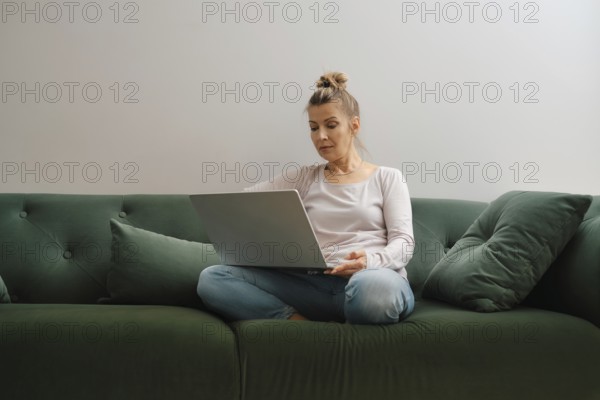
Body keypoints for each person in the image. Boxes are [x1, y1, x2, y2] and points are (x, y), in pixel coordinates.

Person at [197, 71, 415, 324]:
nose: (320, 136)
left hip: (372, 279)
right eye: (313, 128)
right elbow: (242, 205)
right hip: (312, 285)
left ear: (354, 125)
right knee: (214, 278)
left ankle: (345, 324)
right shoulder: (302, 178)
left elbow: (404, 243)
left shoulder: (388, 178)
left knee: (375, 291)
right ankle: (298, 324)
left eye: (331, 125)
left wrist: (370, 262)